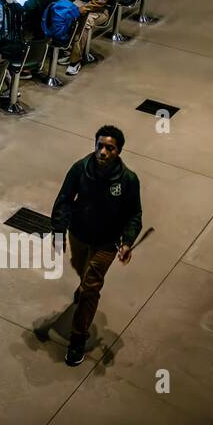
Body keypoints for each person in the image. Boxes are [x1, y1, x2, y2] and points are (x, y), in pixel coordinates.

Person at [50, 125, 142, 367]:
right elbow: (64, 201)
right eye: (99, 146)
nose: (103, 152)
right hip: (79, 234)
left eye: (109, 148)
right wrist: (59, 232)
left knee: (91, 287)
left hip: (107, 242)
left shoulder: (128, 180)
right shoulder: (80, 169)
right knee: (81, 270)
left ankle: (77, 338)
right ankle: (83, 288)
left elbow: (134, 214)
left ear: (118, 151)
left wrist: (128, 242)